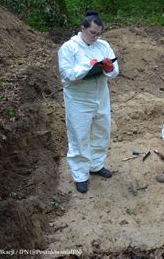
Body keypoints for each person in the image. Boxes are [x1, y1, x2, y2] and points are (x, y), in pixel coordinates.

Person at [58, 10, 119, 193]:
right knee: (79, 136)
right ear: (82, 28)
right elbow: (68, 74)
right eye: (92, 33)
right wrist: (88, 65)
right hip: (79, 99)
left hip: (100, 95)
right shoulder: (69, 48)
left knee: (101, 132)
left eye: (98, 33)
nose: (95, 37)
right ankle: (80, 175)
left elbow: (115, 71)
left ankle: (96, 165)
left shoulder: (103, 45)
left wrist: (108, 68)